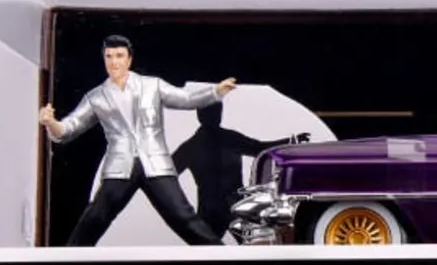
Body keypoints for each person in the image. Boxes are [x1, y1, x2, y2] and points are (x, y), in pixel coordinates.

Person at [39, 34, 238, 245]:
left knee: (183, 217)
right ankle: (70, 258)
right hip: (120, 166)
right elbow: (69, 129)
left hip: (155, 163)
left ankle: (220, 254)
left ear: (129, 59)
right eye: (109, 56)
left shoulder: (152, 85)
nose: (114, 62)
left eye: (119, 56)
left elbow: (186, 99)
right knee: (96, 217)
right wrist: (51, 122)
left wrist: (215, 92)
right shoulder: (96, 96)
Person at [171, 101, 310, 239]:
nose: (216, 116)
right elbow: (169, 174)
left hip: (231, 207)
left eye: (217, 112)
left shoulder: (223, 140)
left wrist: (291, 141)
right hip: (216, 209)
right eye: (212, 112)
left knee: (247, 244)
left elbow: (259, 148)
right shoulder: (196, 146)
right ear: (200, 115)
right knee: (209, 249)